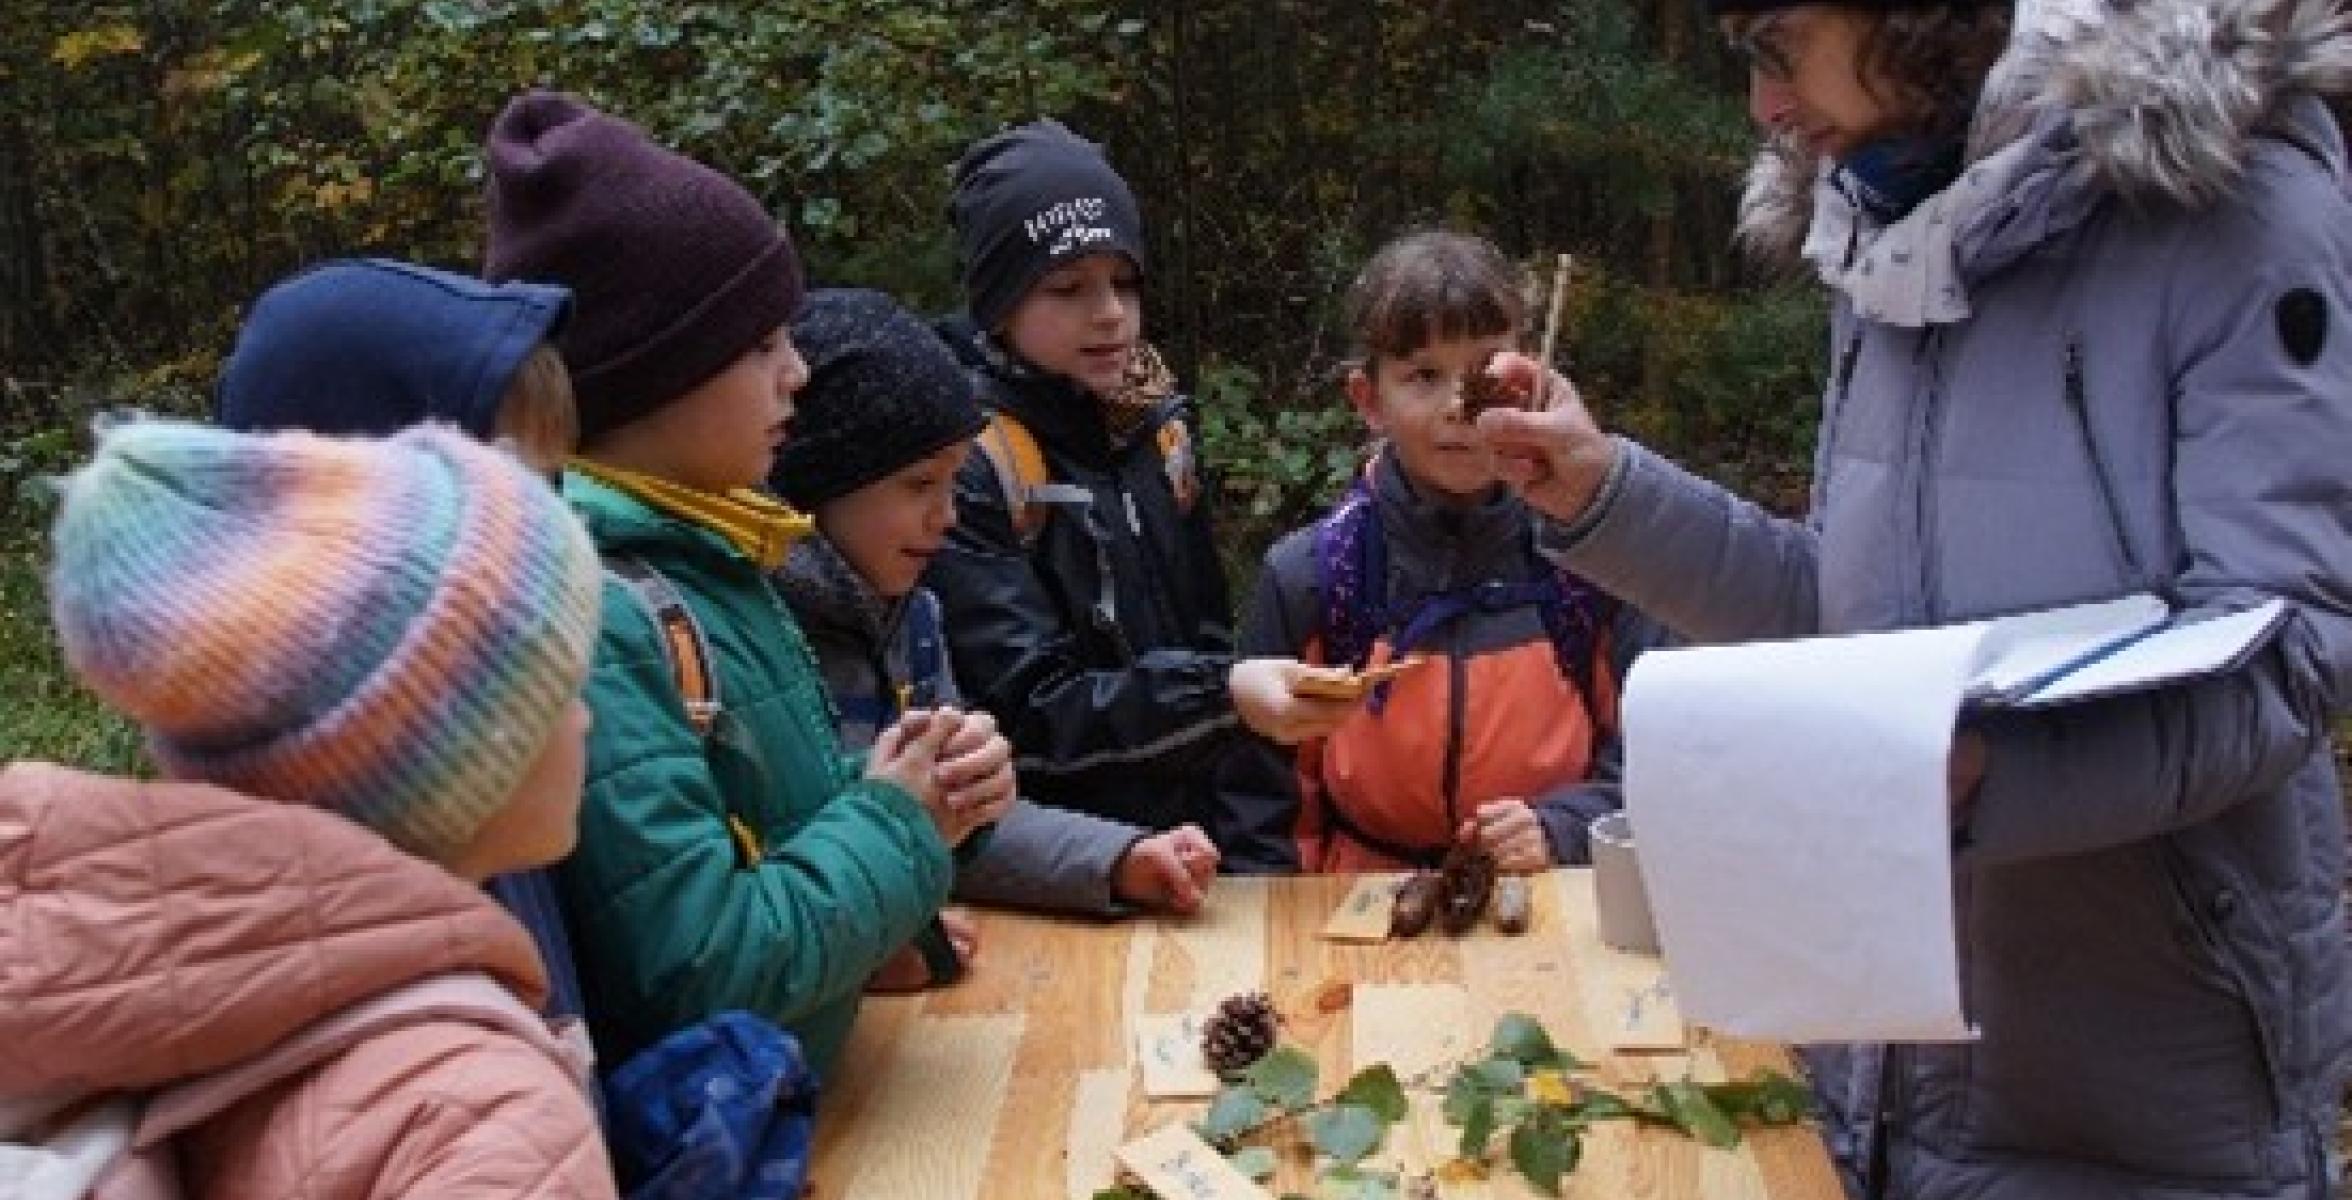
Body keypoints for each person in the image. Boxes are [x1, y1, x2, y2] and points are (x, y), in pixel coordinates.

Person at [1477, 1, 2352, 1195]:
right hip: (1875, 1069)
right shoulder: (1884, 228)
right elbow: (1858, 632)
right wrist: (1605, 492)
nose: (1764, 107)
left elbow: (2289, 658)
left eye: (1778, 46)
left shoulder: (2228, 205)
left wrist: (1983, 773)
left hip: (2140, 1106)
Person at [480, 90, 1013, 1075]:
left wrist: (934, 795)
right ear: (654, 373)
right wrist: (899, 819)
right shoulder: (604, 615)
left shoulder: (719, 559)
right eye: (762, 344)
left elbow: (775, 832)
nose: (797, 373)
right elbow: (704, 969)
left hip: (795, 1108)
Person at [0, 420, 616, 1198]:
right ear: (446, 763)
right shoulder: (479, 1119)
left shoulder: (150, 1009)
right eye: (558, 690)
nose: (586, 719)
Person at [928, 119, 1354, 834]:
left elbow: (1208, 634)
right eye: (1067, 288)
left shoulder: (1155, 427)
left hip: (1191, 839)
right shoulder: (968, 460)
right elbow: (1023, 710)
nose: (1109, 314)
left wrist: (1241, 821)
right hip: (1053, 851)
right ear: (997, 304)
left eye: (1124, 282)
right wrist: (1218, 697)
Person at [771, 287, 1222, 941]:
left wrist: (1115, 859)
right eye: (919, 485)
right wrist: (882, 946)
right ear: (819, 482)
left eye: (954, 482)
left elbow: (963, 823)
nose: (947, 516)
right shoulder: (748, 635)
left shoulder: (915, 621)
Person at [212, 255, 596, 1023]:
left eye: (548, 491)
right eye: (512, 494)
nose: (549, 536)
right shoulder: (326, 925)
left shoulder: (495, 795)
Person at [1214, 231, 1657, 874]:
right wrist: (1287, 923)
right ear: (1369, 401)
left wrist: (1563, 827)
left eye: (1484, 374)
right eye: (1424, 376)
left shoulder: (1597, 561)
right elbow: (1261, 809)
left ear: (1531, 382)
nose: (1458, 407)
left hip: (1552, 895)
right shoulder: (1313, 576)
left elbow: (1662, 758)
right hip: (1359, 906)